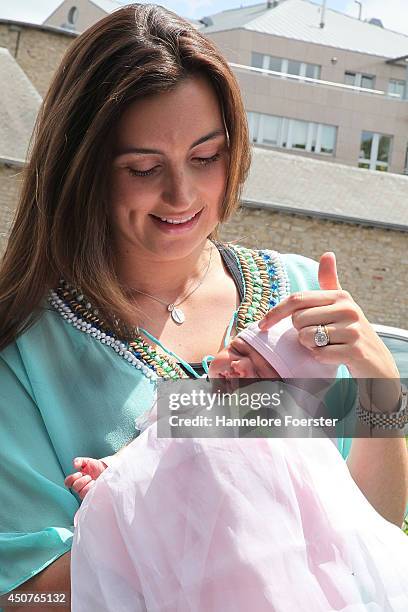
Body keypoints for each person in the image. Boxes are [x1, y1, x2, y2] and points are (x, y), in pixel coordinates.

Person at [0, 3, 407, 610]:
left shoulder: (297, 299)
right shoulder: (24, 350)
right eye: (143, 167)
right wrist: (179, 476)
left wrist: (382, 387)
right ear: (81, 171)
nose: (182, 195)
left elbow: (362, 535)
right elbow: (28, 596)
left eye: (206, 157)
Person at [65, 318, 408, 611]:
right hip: (179, 545)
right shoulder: (190, 399)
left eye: (263, 376)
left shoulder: (293, 437)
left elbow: (327, 499)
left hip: (258, 547)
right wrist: (109, 469)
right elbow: (143, 450)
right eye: (240, 353)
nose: (241, 369)